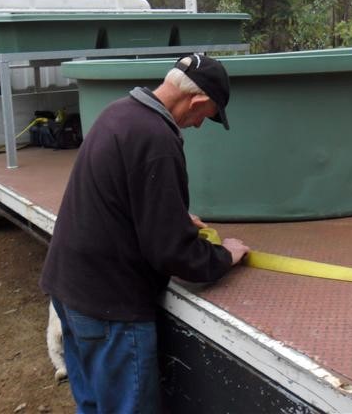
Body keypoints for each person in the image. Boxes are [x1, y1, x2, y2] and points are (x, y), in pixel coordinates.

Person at [40, 54, 250, 414]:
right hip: (110, 308)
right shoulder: (157, 139)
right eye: (206, 115)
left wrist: (171, 215)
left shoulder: (119, 113)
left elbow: (115, 197)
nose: (199, 124)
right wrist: (224, 256)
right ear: (197, 100)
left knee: (93, 404)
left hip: (70, 291)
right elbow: (172, 253)